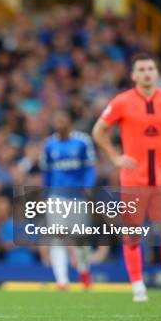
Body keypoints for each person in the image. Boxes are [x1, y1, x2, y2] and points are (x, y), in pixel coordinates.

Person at [92, 52, 161, 302]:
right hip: (133, 178)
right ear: (133, 75)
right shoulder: (122, 101)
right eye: (142, 69)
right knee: (133, 233)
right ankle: (138, 287)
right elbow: (98, 131)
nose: (147, 73)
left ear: (156, 72)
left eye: (151, 68)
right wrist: (115, 158)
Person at [40, 110, 97, 289]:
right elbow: (47, 172)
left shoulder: (82, 141)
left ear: (70, 123)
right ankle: (62, 280)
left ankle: (84, 270)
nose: (59, 124)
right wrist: (46, 193)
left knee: (80, 238)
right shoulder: (49, 144)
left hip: (77, 196)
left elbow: (90, 167)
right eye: (57, 120)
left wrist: (88, 185)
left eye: (62, 120)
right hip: (56, 196)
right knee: (58, 236)